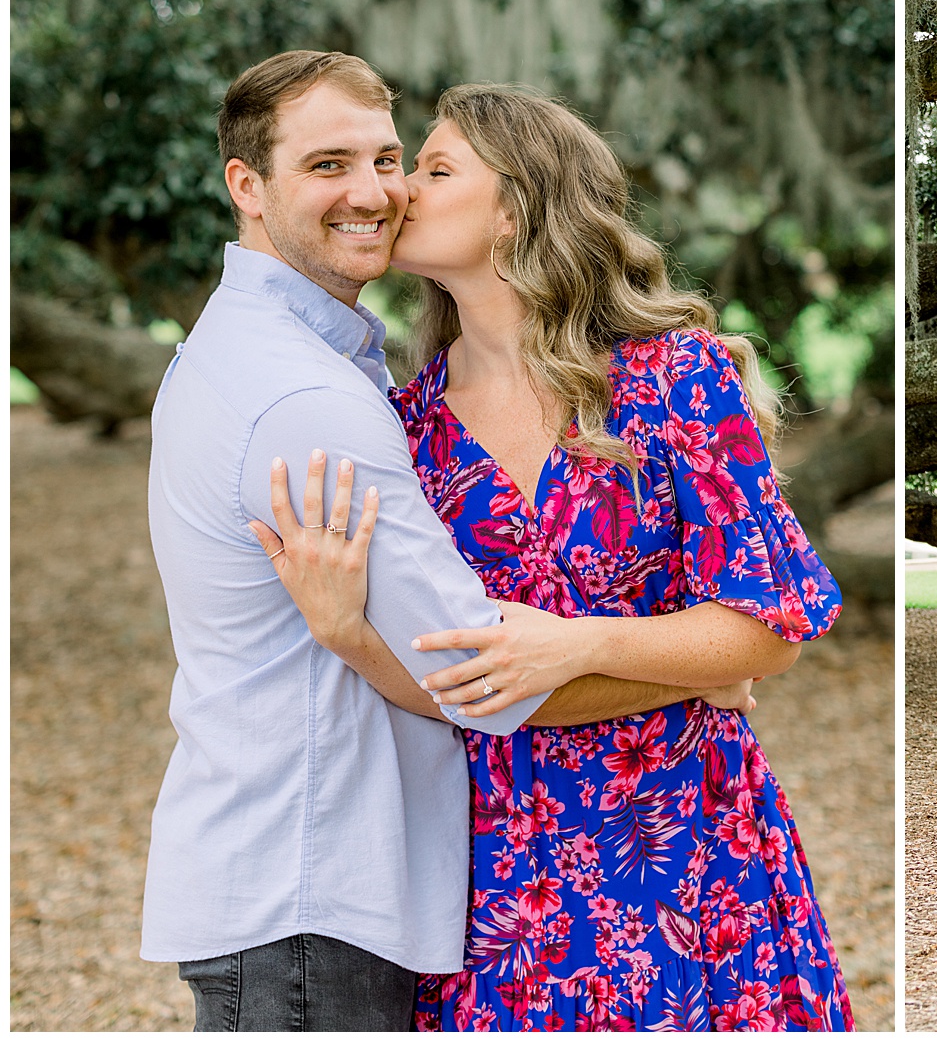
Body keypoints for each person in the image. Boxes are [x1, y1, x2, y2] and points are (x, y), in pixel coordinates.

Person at [143, 50, 735, 1031]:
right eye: (328, 165)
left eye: (388, 159)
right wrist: (698, 667)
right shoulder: (311, 396)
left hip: (295, 884)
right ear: (245, 186)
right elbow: (486, 673)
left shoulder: (278, 355)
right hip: (311, 892)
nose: (376, 192)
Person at [263, 82, 853, 1030]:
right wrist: (345, 635)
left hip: (687, 852)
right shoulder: (400, 430)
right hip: (496, 872)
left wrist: (579, 645)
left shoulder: (674, 376)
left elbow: (768, 629)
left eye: (433, 166)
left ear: (516, 209)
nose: (400, 189)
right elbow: (451, 678)